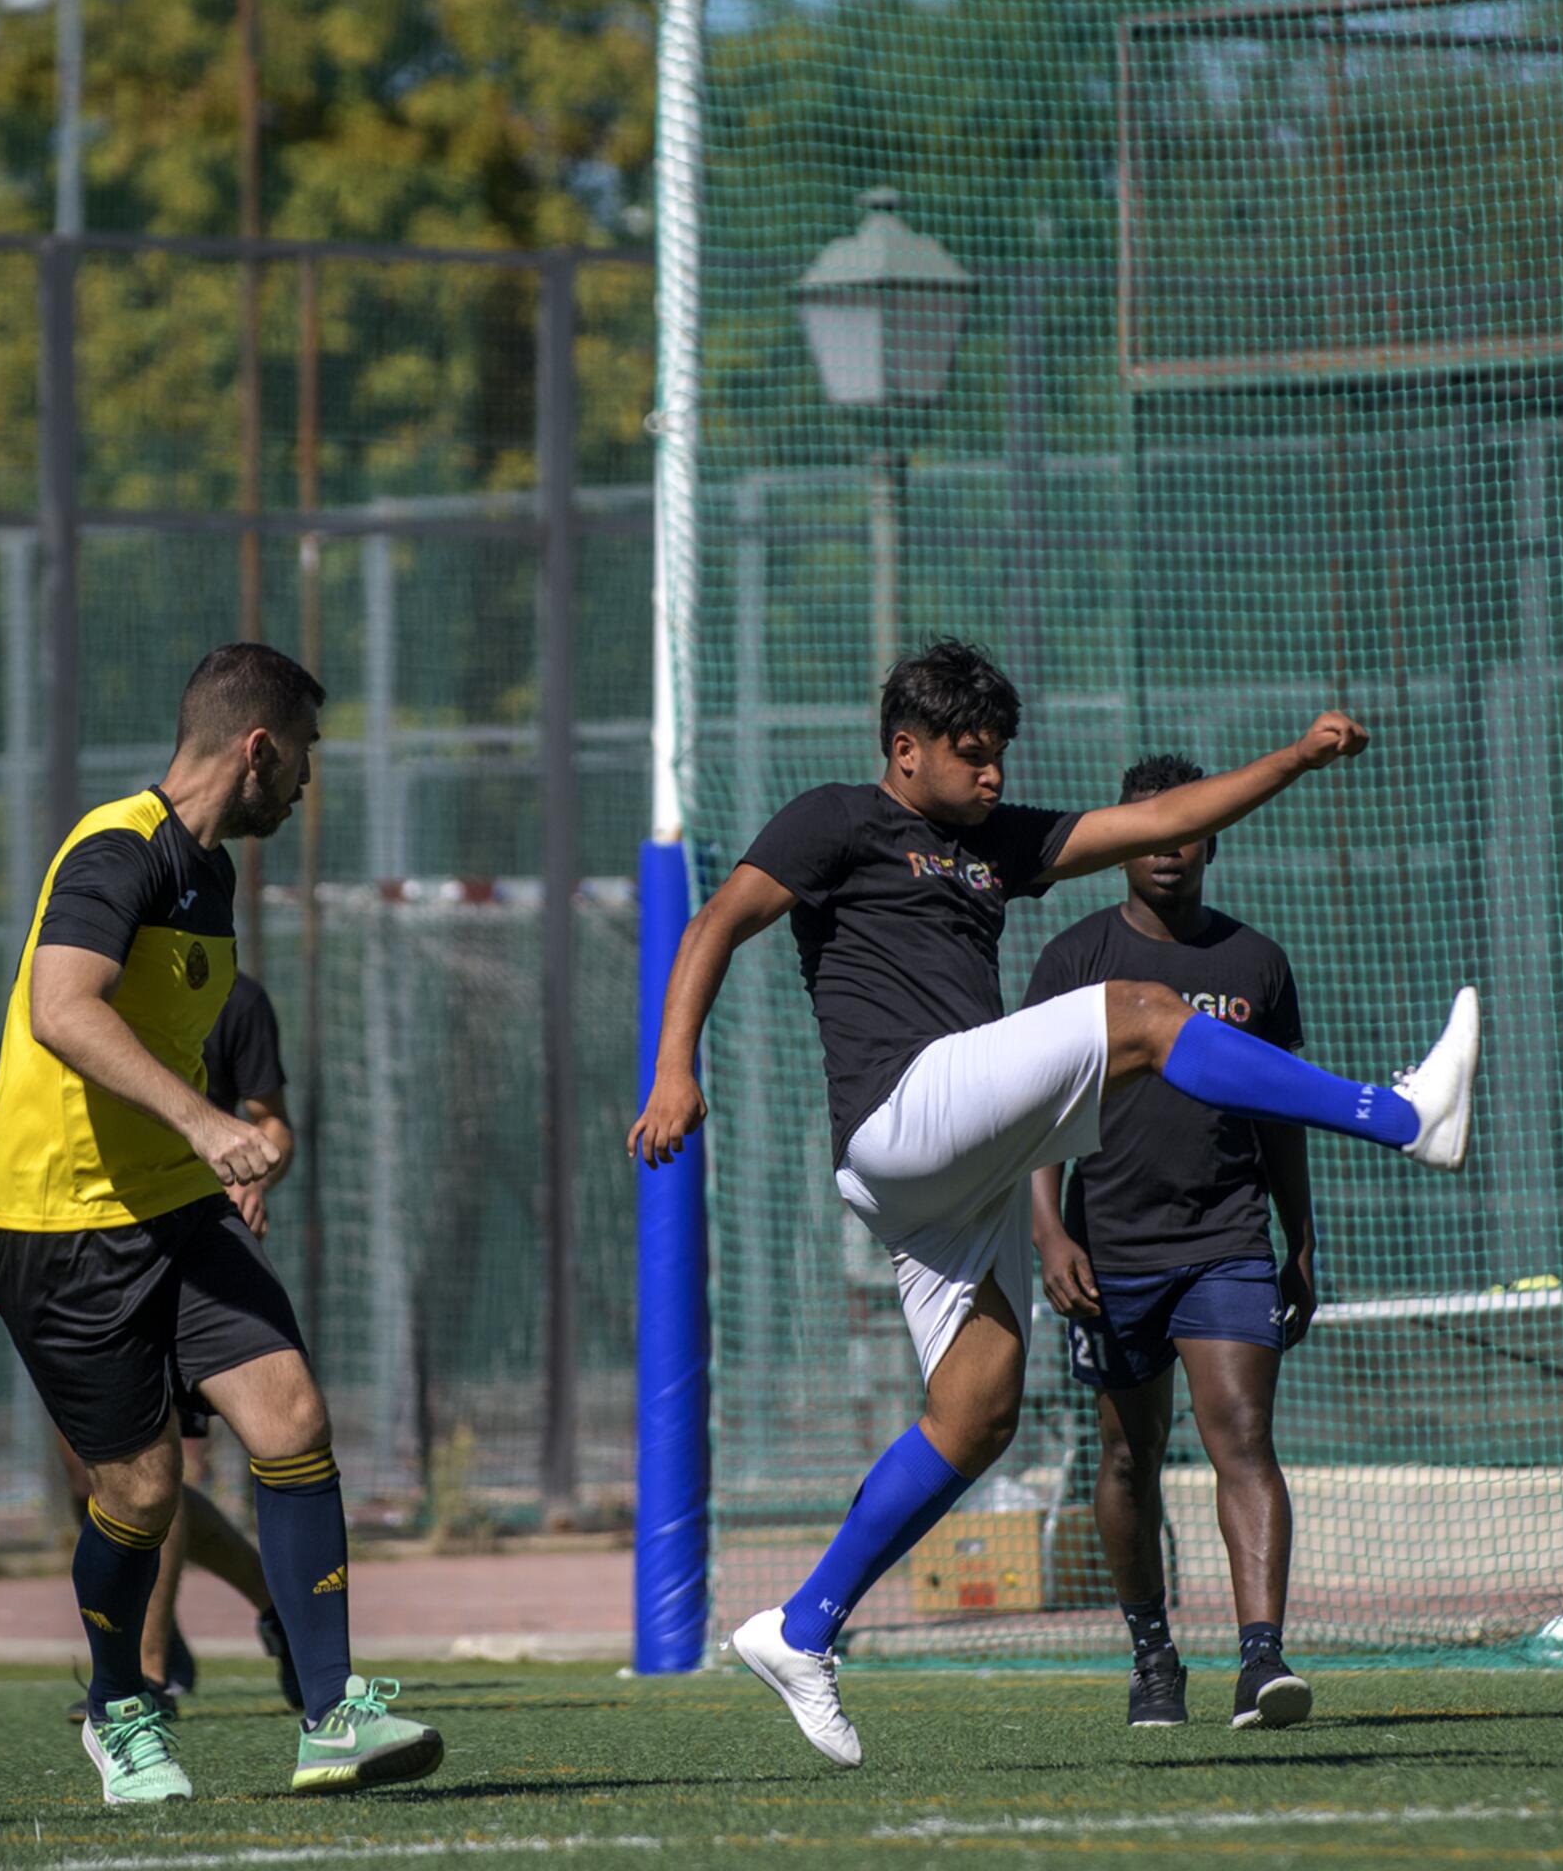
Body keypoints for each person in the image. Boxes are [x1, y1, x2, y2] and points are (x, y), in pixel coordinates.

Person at [627, 639, 1478, 1768]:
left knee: (977, 1412)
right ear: (904, 749)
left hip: (955, 1162)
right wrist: (672, 1069)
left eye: (999, 755)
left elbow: (1159, 817)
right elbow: (713, 924)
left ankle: (801, 1625)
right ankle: (1396, 1114)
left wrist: (1293, 759)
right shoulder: (836, 818)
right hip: (903, 1111)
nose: (991, 775)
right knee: (1142, 1010)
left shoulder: (999, 843)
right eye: (969, 755)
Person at [0, 642, 441, 1805]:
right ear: (257, 748)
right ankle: (118, 1706)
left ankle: (329, 1713)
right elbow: (60, 1007)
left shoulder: (209, 875)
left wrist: (239, 1142)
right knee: (139, 1491)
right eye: (305, 755)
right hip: (61, 1220)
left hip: (172, 1207)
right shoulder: (116, 847)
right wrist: (205, 1121)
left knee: (290, 1414)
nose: (309, 782)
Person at [1026, 752, 1313, 1733]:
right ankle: (1153, 1659)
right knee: (1125, 1454)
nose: (1167, 846)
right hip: (1106, 1252)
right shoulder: (1073, 961)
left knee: (1242, 1435)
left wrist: (1300, 1240)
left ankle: (1261, 1658)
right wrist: (1049, 1230)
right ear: (1121, 842)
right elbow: (1035, 1110)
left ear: (1211, 838)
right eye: (1148, 828)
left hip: (1227, 1237)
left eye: (1186, 827)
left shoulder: (1254, 963)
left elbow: (1281, 1114)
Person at [0, 966, 306, 1719]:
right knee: (110, 1483)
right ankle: (274, 1604)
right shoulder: (56, 988)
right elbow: (6, 1128)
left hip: (181, 1250)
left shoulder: (230, 992)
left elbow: (273, 1122)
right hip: (65, 1251)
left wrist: (257, 1171)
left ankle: (145, 1676)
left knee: (160, 1464)